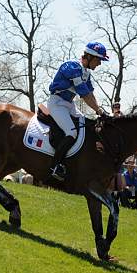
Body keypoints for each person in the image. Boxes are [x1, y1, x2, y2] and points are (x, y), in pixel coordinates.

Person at [47, 42, 108, 181]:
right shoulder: (73, 67)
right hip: (57, 103)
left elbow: (91, 94)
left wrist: (101, 110)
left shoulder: (86, 73)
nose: (99, 64)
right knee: (72, 132)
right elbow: (85, 95)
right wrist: (99, 111)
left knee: (86, 126)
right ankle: (55, 166)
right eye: (99, 60)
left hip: (69, 104)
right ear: (90, 56)